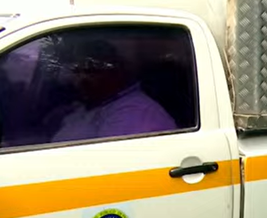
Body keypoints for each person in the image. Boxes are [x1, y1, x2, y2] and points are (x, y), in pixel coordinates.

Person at [50, 39, 178, 143]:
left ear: (115, 73)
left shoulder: (134, 113)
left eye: (92, 71)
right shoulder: (95, 104)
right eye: (77, 71)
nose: (82, 78)